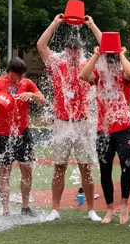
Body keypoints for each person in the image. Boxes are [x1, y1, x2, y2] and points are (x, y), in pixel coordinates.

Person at [37, 14, 102, 222]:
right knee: (59, 167)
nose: (73, 53)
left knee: (86, 168)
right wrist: (55, 22)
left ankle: (91, 210)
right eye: (70, 50)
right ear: (65, 51)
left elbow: (108, 48)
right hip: (61, 122)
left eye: (76, 50)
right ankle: (55, 209)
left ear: (80, 51)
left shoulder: (88, 65)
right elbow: (41, 45)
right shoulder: (58, 66)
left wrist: (91, 25)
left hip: (82, 122)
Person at [0, 57, 46, 216]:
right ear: (9, 72)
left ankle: (25, 207)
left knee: (27, 169)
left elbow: (42, 100)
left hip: (22, 132)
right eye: (17, 76)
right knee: (4, 171)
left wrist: (31, 94)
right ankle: (6, 209)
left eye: (22, 75)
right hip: (2, 134)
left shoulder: (27, 83)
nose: (20, 79)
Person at [79, 46, 130, 224]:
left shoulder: (123, 76)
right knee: (105, 170)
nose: (111, 67)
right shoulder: (99, 77)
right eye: (108, 62)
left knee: (126, 167)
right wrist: (96, 55)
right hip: (103, 132)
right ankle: (110, 208)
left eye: (114, 63)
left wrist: (120, 54)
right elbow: (83, 75)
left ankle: (124, 206)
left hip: (124, 129)